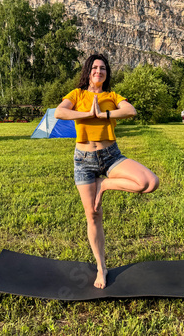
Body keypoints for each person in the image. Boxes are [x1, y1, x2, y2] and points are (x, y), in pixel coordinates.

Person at [54, 54, 159, 290]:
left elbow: (130, 110)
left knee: (150, 182)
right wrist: (87, 115)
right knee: (93, 215)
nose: (98, 71)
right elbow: (59, 113)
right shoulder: (77, 95)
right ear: (88, 71)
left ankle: (105, 184)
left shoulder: (112, 96)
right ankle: (102, 267)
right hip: (83, 160)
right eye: (94, 68)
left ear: (106, 73)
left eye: (102, 68)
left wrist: (105, 114)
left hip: (111, 156)